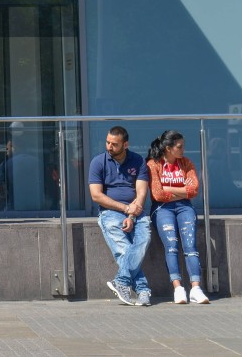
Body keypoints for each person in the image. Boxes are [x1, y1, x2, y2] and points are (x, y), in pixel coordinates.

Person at [88, 125, 152, 307]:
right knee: (124, 249)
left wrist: (132, 214)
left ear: (125, 144)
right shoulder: (98, 162)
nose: (109, 147)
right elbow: (96, 196)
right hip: (110, 212)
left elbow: (141, 191)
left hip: (135, 211)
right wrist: (125, 209)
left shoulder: (138, 161)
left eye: (114, 144)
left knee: (144, 238)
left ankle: (122, 281)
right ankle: (143, 289)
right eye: (107, 142)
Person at [146, 129, 210, 304]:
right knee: (172, 245)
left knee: (190, 245)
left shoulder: (186, 163)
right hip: (162, 209)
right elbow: (157, 195)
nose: (183, 150)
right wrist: (182, 192)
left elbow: (194, 190)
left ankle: (196, 288)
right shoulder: (154, 164)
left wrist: (170, 189)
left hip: (185, 208)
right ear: (168, 148)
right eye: (179, 147)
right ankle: (178, 288)